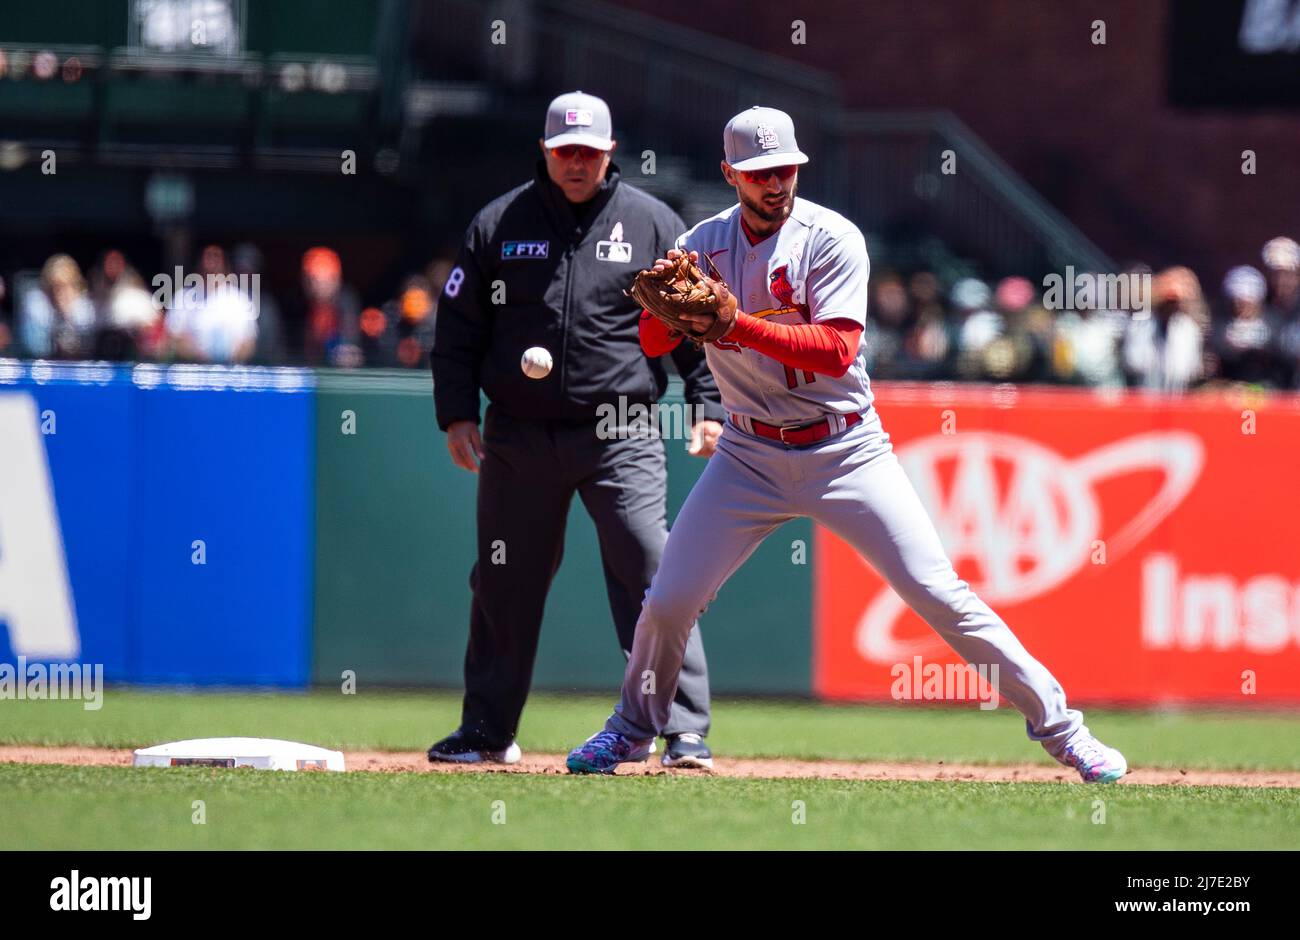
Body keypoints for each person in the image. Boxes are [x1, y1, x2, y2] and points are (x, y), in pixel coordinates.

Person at [565, 106, 1128, 783]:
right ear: (730, 175)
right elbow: (653, 343)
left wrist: (732, 323)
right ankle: (630, 730)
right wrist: (668, 311)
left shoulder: (831, 238)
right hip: (748, 454)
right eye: (759, 172)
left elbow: (836, 352)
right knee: (669, 600)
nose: (776, 182)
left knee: (939, 594)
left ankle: (1067, 732)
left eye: (786, 169)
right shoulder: (703, 242)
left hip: (846, 451)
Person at [429, 91, 723, 768]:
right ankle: (486, 731)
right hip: (518, 435)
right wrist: (455, 413)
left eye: (589, 151)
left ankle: (681, 730)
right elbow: (458, 330)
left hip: (621, 429)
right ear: (545, 151)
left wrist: (706, 404)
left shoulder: (652, 225)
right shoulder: (498, 224)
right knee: (504, 581)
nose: (577, 163)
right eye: (565, 152)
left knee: (654, 570)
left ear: (609, 152)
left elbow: (693, 328)